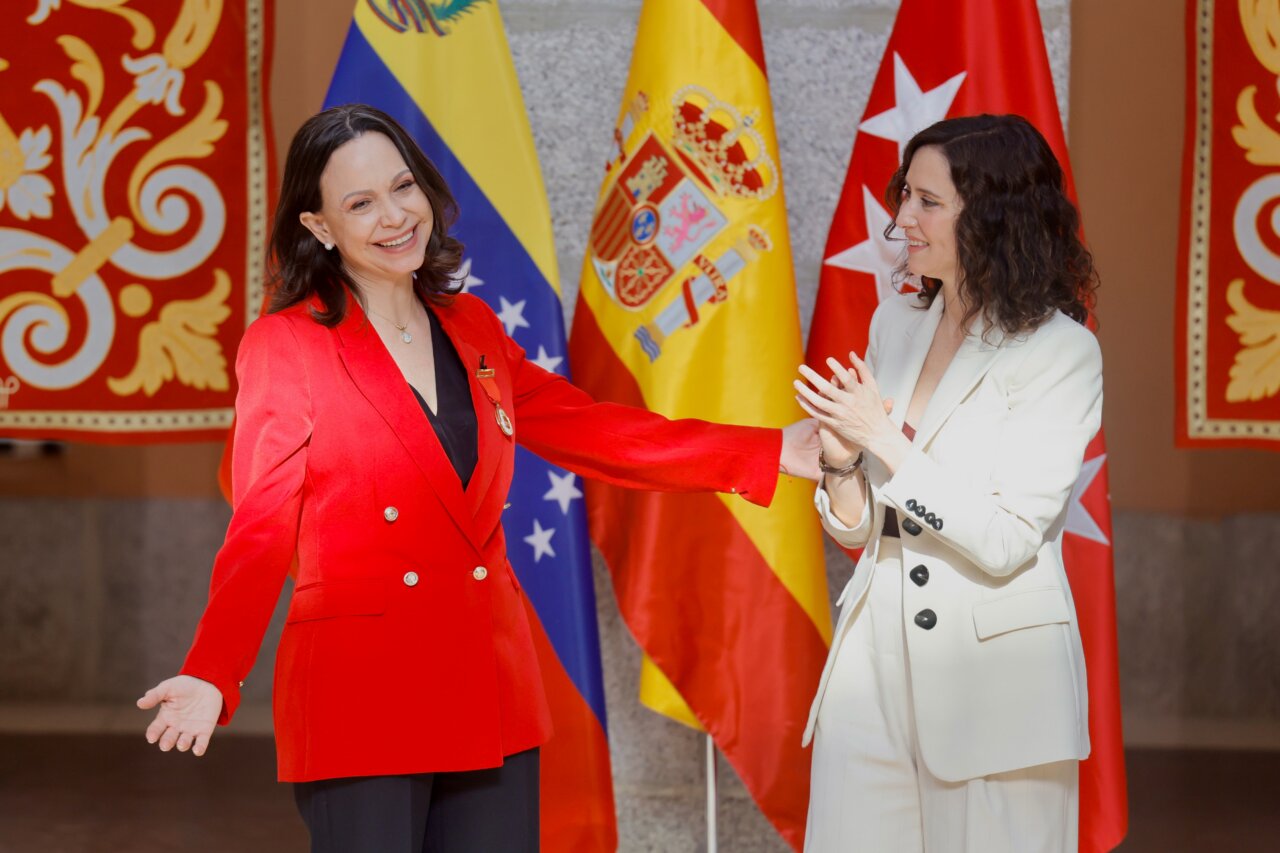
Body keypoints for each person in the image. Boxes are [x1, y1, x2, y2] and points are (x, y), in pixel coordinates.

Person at [137, 103, 819, 853]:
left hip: (486, 684)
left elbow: (593, 428)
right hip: (360, 692)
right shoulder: (286, 344)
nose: (395, 215)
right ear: (321, 227)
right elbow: (262, 525)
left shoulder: (473, 327)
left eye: (403, 187)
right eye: (360, 203)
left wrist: (767, 451)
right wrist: (212, 671)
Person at [793, 113, 1102, 853]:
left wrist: (881, 439)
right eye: (906, 194)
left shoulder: (1062, 353)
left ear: (995, 216)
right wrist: (841, 461)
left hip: (998, 688)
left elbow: (1003, 540)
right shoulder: (893, 322)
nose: (902, 219)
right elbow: (868, 528)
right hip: (869, 678)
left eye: (927, 202)